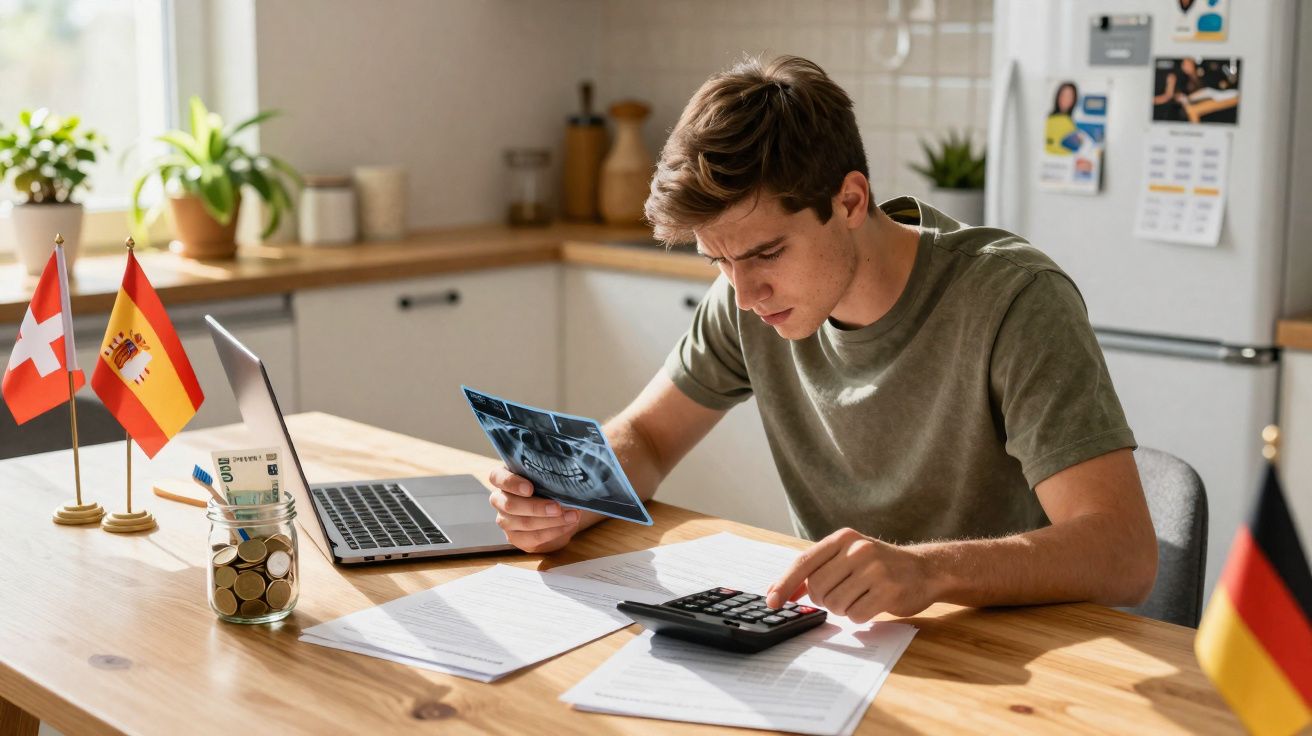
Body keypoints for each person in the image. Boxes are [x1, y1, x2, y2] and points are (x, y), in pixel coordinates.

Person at [487, 56, 1157, 623]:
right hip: (840, 650)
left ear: (851, 201)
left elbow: (1125, 555)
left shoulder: (1013, 299)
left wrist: (928, 573)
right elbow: (652, 438)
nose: (745, 295)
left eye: (766, 253)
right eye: (718, 262)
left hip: (1014, 655)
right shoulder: (746, 300)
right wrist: (572, 491)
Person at [1044, 82, 1080, 155]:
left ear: (1074, 100)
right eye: (1062, 95)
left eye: (1069, 96)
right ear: (1058, 96)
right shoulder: (1048, 120)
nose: (1064, 99)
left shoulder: (1071, 122)